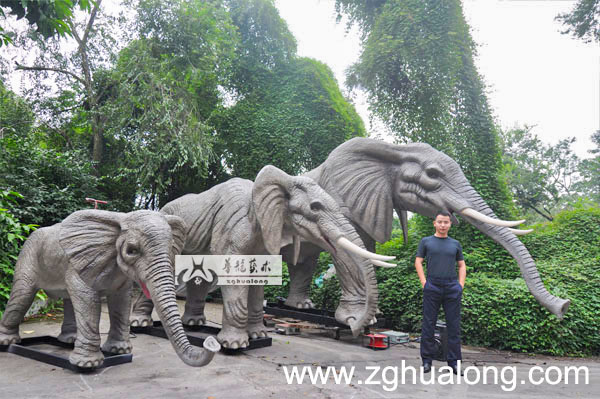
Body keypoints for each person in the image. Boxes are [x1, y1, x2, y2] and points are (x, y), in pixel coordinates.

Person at [415, 210, 466, 375]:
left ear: (450, 224)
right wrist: (424, 282)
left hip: (452, 287)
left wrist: (460, 285)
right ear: (435, 223)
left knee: (454, 326)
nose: (443, 225)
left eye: (446, 222)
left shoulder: (455, 244)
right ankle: (427, 361)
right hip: (433, 286)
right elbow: (418, 261)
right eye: (440, 222)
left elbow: (462, 265)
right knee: (428, 324)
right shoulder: (426, 241)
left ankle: (454, 363)